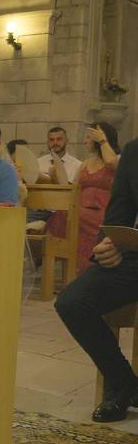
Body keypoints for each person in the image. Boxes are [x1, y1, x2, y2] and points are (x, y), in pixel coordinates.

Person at [55, 138, 138, 423]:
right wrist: (108, 244)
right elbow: (120, 211)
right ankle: (124, 382)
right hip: (134, 256)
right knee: (72, 302)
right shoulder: (134, 150)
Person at [45, 121, 120, 274]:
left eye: (89, 137)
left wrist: (102, 140)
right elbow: (74, 189)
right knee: (60, 214)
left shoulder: (117, 159)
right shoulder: (85, 163)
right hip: (80, 207)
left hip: (103, 210)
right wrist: (55, 178)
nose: (85, 141)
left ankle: (83, 269)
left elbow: (111, 162)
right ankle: (58, 264)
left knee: (73, 216)